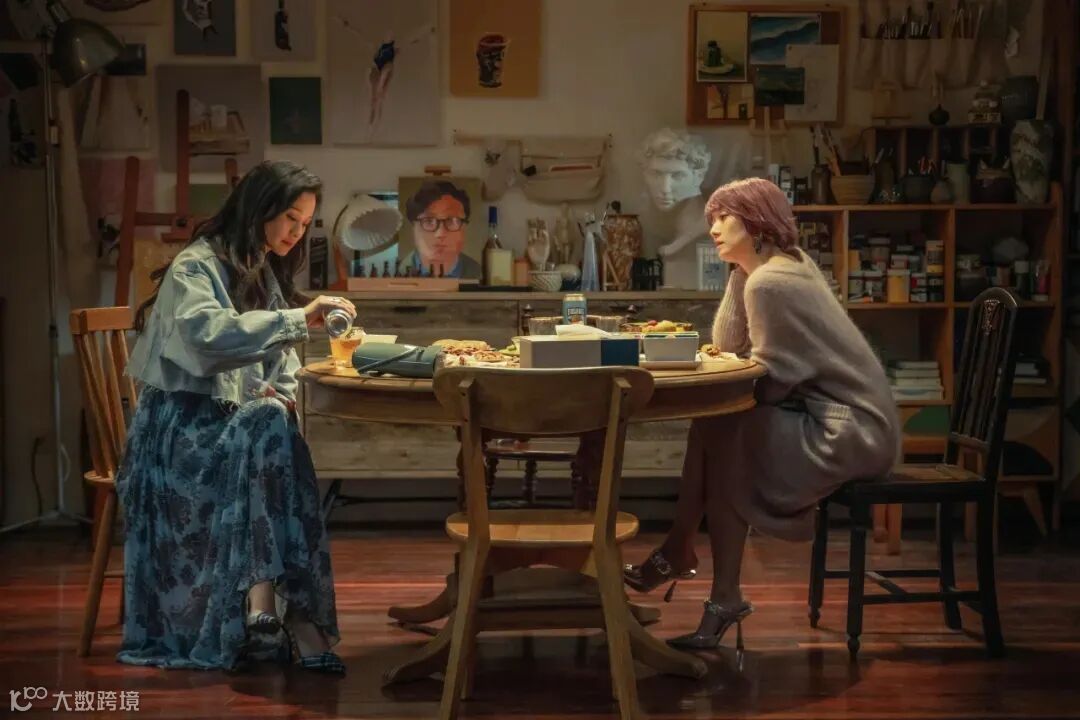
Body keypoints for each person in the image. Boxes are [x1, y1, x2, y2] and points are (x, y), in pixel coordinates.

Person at [624, 177, 900, 649]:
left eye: (724, 218)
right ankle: (702, 576)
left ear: (757, 221)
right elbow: (730, 345)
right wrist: (740, 270)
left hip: (849, 432)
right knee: (718, 425)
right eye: (711, 219)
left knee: (723, 428)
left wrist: (748, 278)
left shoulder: (772, 282)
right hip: (857, 424)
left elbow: (772, 381)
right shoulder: (779, 267)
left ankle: (685, 556)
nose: (713, 228)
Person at [117, 160, 356, 674]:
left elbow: (282, 365)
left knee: (271, 419)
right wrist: (299, 317)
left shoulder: (261, 267)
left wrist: (279, 394)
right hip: (181, 432)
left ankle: (264, 610)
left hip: (234, 428)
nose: (297, 232)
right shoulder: (195, 266)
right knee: (268, 426)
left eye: (305, 222)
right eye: (290, 218)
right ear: (259, 208)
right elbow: (207, 338)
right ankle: (294, 620)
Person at [401, 179, 482, 279]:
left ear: (464, 227)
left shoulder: (478, 273)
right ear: (413, 227)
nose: (440, 233)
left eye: (451, 221)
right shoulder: (396, 273)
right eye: (429, 221)